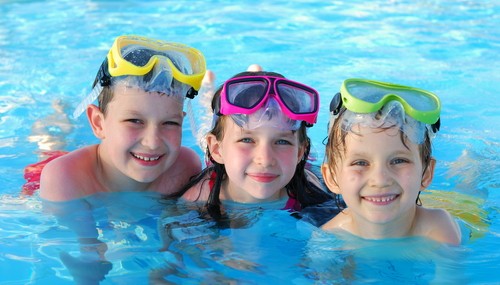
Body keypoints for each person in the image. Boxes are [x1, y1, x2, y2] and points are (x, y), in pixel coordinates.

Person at [39, 35, 206, 201]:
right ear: (98, 123)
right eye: (134, 121)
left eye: (170, 123)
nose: (153, 142)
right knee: (50, 152)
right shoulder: (66, 178)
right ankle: (55, 127)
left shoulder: (185, 168)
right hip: (44, 178)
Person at [168, 70, 335, 225]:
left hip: (296, 167)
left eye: (282, 142)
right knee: (207, 123)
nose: (265, 159)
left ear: (299, 152)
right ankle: (207, 89)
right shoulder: (201, 196)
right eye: (247, 140)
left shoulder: (310, 191)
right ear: (218, 150)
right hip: (221, 166)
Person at [320, 78, 461, 245]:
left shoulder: (438, 229)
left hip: (463, 210)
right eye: (360, 163)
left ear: (426, 173)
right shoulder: (329, 238)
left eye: (399, 160)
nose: (380, 180)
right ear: (332, 177)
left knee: (467, 190)